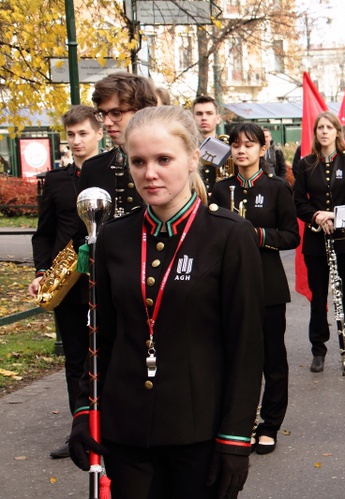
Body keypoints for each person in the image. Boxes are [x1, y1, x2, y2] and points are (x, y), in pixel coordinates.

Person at [67, 106, 264, 499]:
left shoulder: (229, 235)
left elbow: (245, 346)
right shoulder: (113, 237)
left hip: (199, 432)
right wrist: (84, 411)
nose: (149, 173)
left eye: (163, 159)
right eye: (138, 161)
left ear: (193, 158)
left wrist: (236, 438)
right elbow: (98, 338)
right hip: (125, 432)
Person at [212, 123, 300, 455]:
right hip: (228, 286)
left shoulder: (277, 188)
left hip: (267, 285)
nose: (242, 150)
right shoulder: (220, 190)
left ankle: (270, 424)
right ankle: (239, 424)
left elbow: (291, 235)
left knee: (272, 359)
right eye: (236, 145)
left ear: (263, 150)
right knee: (231, 357)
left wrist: (258, 236)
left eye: (249, 145)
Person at [28, 105, 103, 459]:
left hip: (106, 279)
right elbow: (43, 235)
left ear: (98, 133)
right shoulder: (56, 180)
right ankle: (80, 429)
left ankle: (113, 426)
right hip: (67, 280)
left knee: (110, 353)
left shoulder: (113, 173)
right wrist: (42, 272)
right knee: (75, 357)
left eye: (83, 133)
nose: (76, 141)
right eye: (70, 135)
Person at [294, 111, 345, 373]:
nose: (323, 132)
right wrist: (316, 217)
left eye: (328, 127)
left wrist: (335, 215)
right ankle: (318, 350)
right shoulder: (306, 164)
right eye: (319, 127)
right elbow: (298, 202)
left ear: (337, 131)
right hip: (315, 241)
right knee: (318, 296)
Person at [78, 72, 158, 217]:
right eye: (102, 113)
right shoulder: (93, 168)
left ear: (142, 111)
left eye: (116, 113)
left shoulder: (175, 164)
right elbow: (82, 232)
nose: (107, 123)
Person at [192, 96, 224, 191]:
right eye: (199, 114)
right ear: (192, 118)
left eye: (209, 113)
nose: (204, 118)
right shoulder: (185, 147)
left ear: (218, 118)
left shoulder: (228, 147)